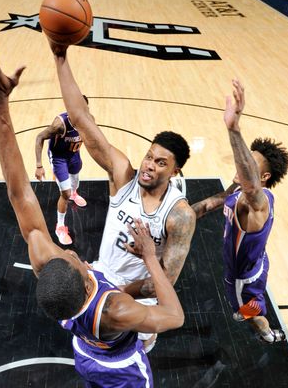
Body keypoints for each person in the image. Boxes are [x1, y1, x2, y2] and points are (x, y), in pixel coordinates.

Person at [0, 42, 184, 386]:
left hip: (85, 353)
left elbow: (19, 192)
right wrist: (150, 258)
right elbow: (174, 316)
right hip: (121, 370)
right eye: (71, 258)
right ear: (86, 281)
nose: (68, 252)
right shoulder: (116, 309)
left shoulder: (49, 272)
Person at [51, 41, 196, 353]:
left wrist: (118, 291)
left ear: (175, 171)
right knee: (93, 346)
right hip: (104, 277)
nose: (148, 166)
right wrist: (60, 55)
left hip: (138, 298)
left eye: (161, 163)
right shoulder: (123, 177)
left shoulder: (179, 215)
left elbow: (165, 281)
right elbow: (81, 118)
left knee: (134, 356)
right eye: (149, 157)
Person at [190, 80, 288, 343]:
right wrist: (189, 214)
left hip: (242, 277)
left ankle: (267, 333)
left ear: (264, 176)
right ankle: (254, 306)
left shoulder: (257, 201)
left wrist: (234, 130)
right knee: (254, 297)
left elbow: (248, 186)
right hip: (257, 261)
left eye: (250, 161)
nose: (242, 160)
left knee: (248, 311)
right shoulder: (243, 191)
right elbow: (224, 197)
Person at [35, 108, 88, 245]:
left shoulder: (87, 120)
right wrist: (39, 166)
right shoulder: (60, 125)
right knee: (65, 193)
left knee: (74, 183)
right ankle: (60, 227)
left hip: (74, 155)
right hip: (59, 159)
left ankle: (74, 194)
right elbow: (40, 137)